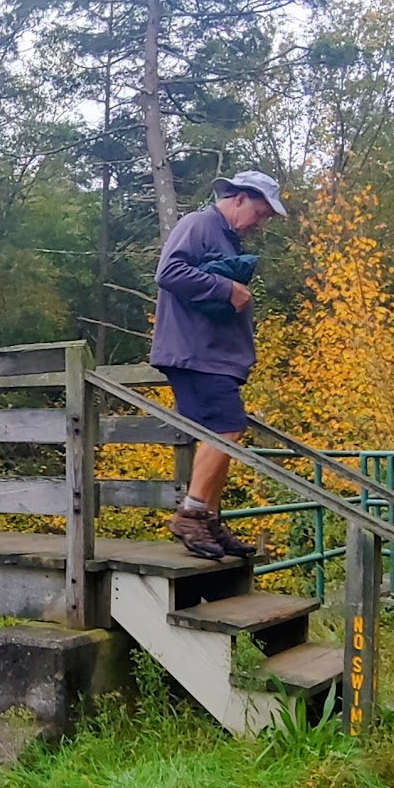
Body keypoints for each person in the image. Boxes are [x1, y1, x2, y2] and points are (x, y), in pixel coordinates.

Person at [150, 171, 288, 559]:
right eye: (260, 213)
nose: (260, 224)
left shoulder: (225, 237)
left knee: (223, 432)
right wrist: (227, 288)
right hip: (196, 355)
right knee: (226, 430)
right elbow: (169, 273)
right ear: (239, 198)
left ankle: (208, 517)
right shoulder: (199, 224)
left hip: (213, 356)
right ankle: (191, 514)